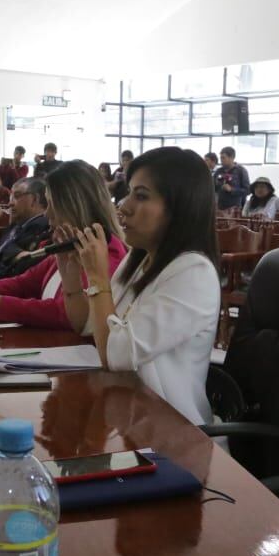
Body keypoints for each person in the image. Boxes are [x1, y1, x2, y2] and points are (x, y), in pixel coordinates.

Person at [55, 147, 221, 425]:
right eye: (129, 192)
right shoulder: (140, 258)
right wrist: (72, 277)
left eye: (141, 196)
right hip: (129, 414)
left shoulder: (193, 272)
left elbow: (115, 355)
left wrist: (97, 278)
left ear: (179, 208)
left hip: (172, 431)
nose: (124, 206)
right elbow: (88, 326)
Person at [0, 162, 128, 331]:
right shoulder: (69, 244)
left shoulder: (107, 252)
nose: (47, 212)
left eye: (52, 204)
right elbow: (26, 282)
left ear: (74, 206)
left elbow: (67, 313)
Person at [0, 176, 50, 281]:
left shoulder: (43, 228)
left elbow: (22, 268)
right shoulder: (18, 225)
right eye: (11, 197)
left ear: (35, 199)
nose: (10, 203)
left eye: (16, 196)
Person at [213, 147, 251, 212]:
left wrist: (232, 190)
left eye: (223, 158)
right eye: (221, 158)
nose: (221, 160)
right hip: (219, 208)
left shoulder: (241, 171)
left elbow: (247, 190)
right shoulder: (218, 171)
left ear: (232, 158)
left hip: (235, 210)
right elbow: (212, 187)